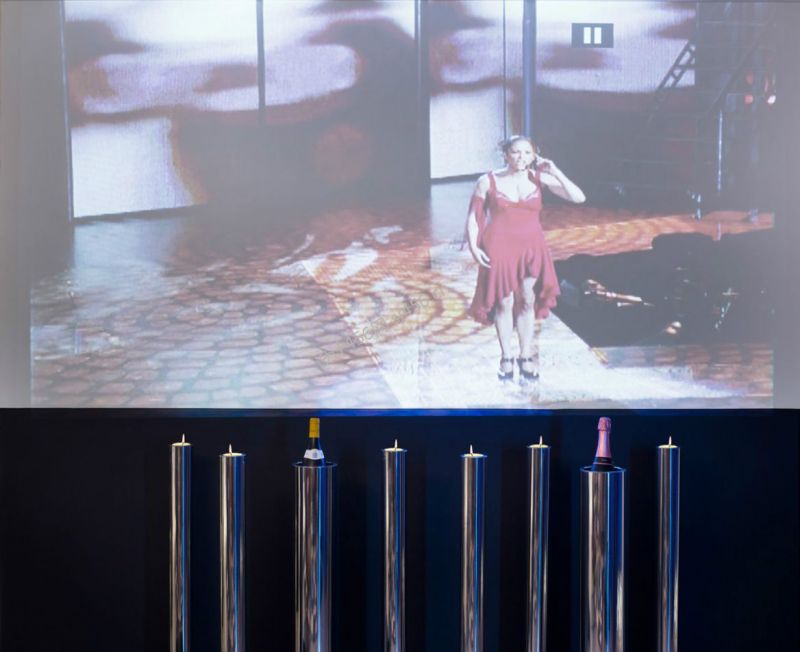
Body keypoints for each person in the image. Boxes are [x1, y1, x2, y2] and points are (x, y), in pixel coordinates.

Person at [465, 136, 585, 381]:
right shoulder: (487, 181)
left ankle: (525, 355)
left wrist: (556, 171)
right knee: (504, 302)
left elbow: (578, 197)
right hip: (499, 246)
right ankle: (506, 357)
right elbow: (473, 217)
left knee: (527, 300)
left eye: (527, 153)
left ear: (534, 156)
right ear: (506, 155)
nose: (521, 157)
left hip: (531, 247)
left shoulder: (539, 178)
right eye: (516, 152)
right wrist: (474, 248)